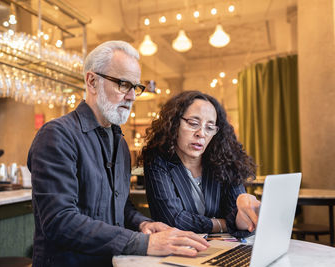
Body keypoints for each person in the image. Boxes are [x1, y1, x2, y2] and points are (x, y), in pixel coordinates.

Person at [27, 41, 209, 267]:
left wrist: (142, 224)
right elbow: (59, 220)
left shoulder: (119, 143)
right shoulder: (57, 135)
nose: (132, 96)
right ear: (92, 81)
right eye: (123, 84)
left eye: (136, 87)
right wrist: (143, 243)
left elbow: (119, 206)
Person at [140, 91, 260, 238]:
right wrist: (225, 224)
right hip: (178, 251)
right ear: (174, 123)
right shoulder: (157, 162)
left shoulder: (225, 162)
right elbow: (173, 220)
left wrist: (246, 211)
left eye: (209, 128)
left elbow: (242, 226)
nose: (201, 133)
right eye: (193, 123)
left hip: (222, 251)